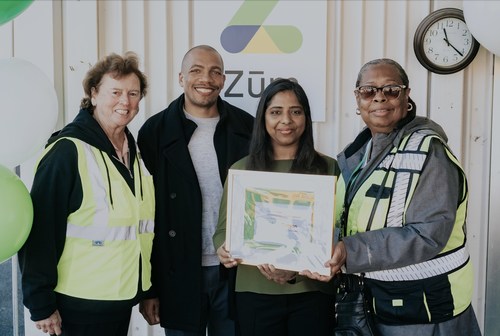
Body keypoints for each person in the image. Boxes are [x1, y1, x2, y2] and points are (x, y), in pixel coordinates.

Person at [305, 58, 481, 335]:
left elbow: (427, 234)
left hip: (423, 309)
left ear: (406, 95)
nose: (379, 98)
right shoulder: (357, 154)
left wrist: (349, 251)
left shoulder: (429, 152)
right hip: (374, 303)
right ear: (357, 98)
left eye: (391, 90)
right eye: (368, 91)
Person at [18, 52, 155, 336]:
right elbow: (41, 232)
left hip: (120, 300)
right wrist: (40, 303)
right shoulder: (68, 151)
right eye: (115, 92)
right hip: (77, 307)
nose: (125, 101)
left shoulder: (134, 151)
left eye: (133, 93)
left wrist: (149, 288)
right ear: (93, 94)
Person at [137, 45, 254, 336]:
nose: (207, 78)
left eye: (215, 72)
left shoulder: (247, 127)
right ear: (181, 77)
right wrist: (150, 288)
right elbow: (148, 213)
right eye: (196, 70)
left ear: (224, 80)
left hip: (235, 269)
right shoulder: (155, 131)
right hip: (178, 271)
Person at [213, 78, 339, 336]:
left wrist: (294, 271)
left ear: (306, 117)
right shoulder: (241, 170)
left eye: (295, 111)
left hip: (310, 294)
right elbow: (223, 231)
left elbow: (336, 234)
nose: (286, 120)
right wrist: (223, 250)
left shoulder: (328, 169)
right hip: (255, 294)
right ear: (263, 119)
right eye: (276, 112)